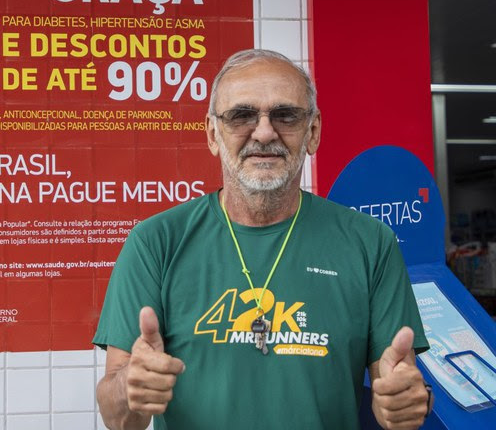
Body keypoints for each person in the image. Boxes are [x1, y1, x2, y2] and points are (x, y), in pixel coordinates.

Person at [93, 49, 433, 430]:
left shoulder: (371, 243)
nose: (265, 131)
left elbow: (400, 385)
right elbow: (117, 418)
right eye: (242, 115)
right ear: (212, 134)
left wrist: (405, 402)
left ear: (313, 132)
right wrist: (130, 389)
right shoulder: (155, 243)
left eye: (286, 115)